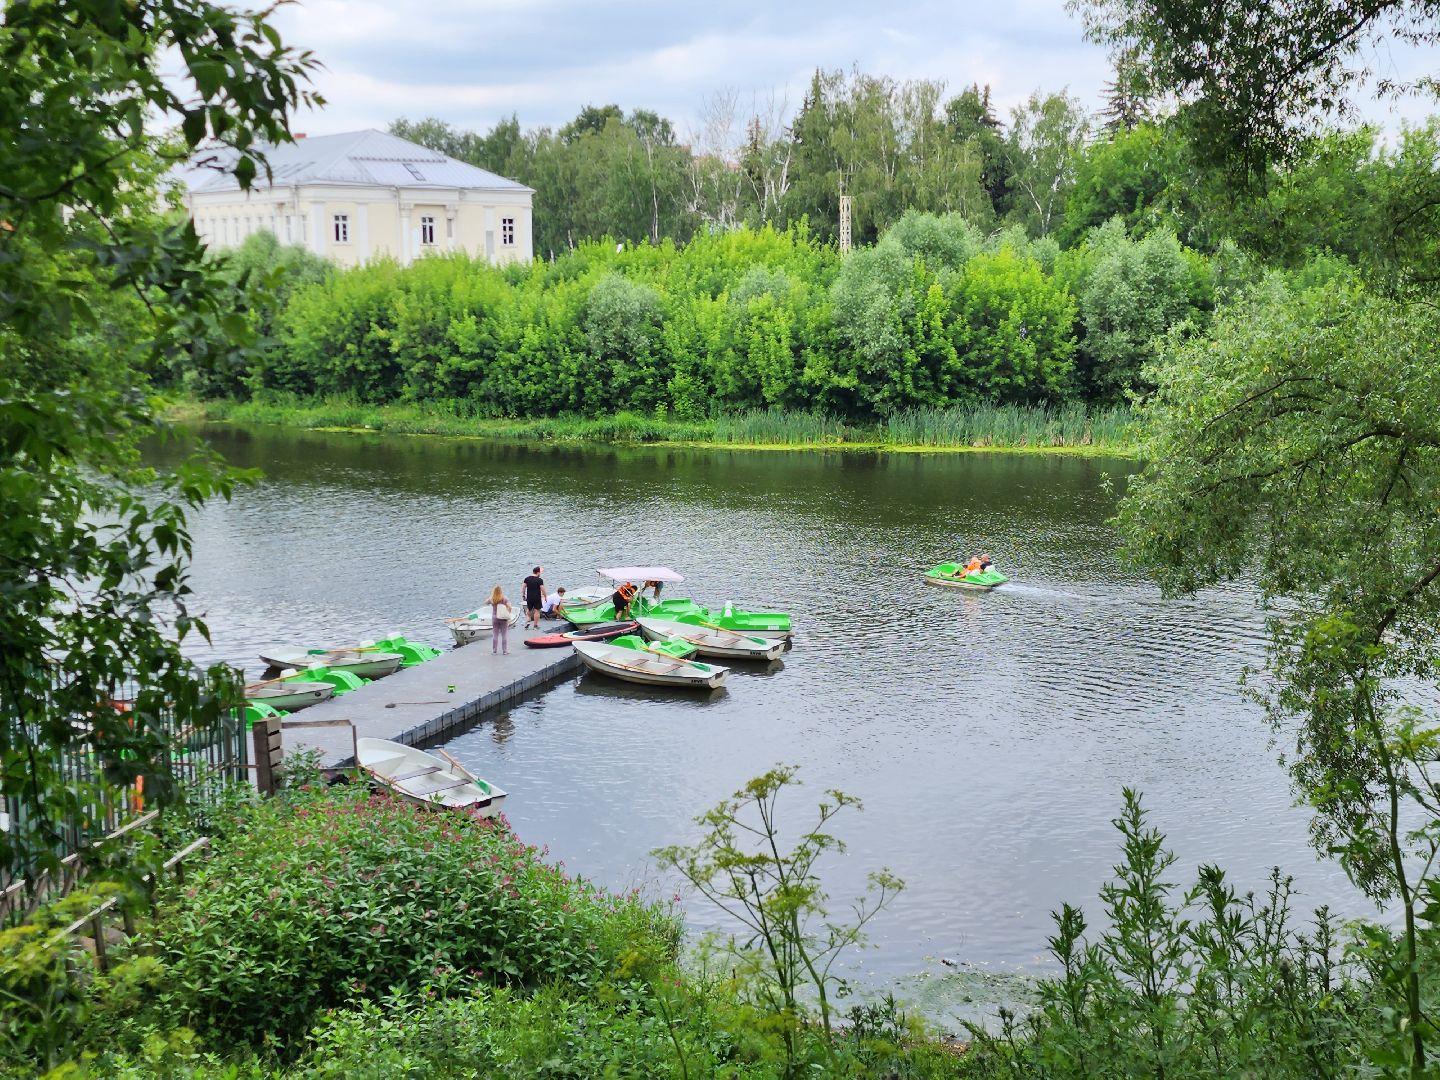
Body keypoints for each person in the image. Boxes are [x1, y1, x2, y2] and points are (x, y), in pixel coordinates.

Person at [488, 585, 512, 655]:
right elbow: (510, 607)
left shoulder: (492, 598)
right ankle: (504, 651)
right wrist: (508, 610)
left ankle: (494, 651)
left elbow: (486, 602)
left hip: (495, 618)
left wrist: (491, 600)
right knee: (504, 635)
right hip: (503, 619)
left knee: (495, 635)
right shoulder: (504, 598)